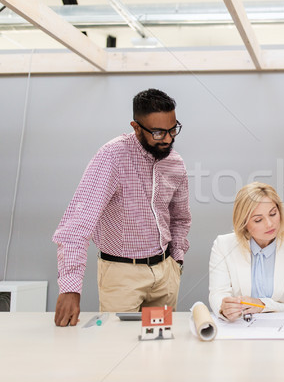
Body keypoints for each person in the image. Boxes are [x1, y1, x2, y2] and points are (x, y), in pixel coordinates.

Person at [52, 88, 191, 327]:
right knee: (117, 350)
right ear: (136, 127)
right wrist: (70, 288)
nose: (168, 139)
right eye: (158, 132)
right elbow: (77, 223)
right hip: (121, 275)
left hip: (165, 274)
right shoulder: (113, 156)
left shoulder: (175, 163)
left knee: (160, 346)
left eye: (172, 129)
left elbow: (180, 218)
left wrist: (176, 260)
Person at [209, 182, 284, 321]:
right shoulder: (223, 246)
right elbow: (217, 294)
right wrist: (224, 309)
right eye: (258, 220)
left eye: (273, 214)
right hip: (240, 331)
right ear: (244, 223)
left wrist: (263, 305)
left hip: (282, 333)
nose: (269, 224)